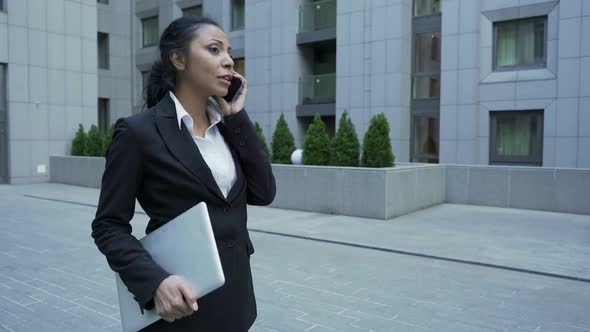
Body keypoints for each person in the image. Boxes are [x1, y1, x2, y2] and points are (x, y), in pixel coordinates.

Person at [91, 16, 276, 331]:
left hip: (236, 300)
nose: (229, 60)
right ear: (178, 59)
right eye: (214, 50)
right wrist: (155, 283)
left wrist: (237, 115)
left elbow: (264, 192)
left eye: (229, 52)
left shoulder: (229, 126)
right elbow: (108, 226)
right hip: (180, 304)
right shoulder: (138, 132)